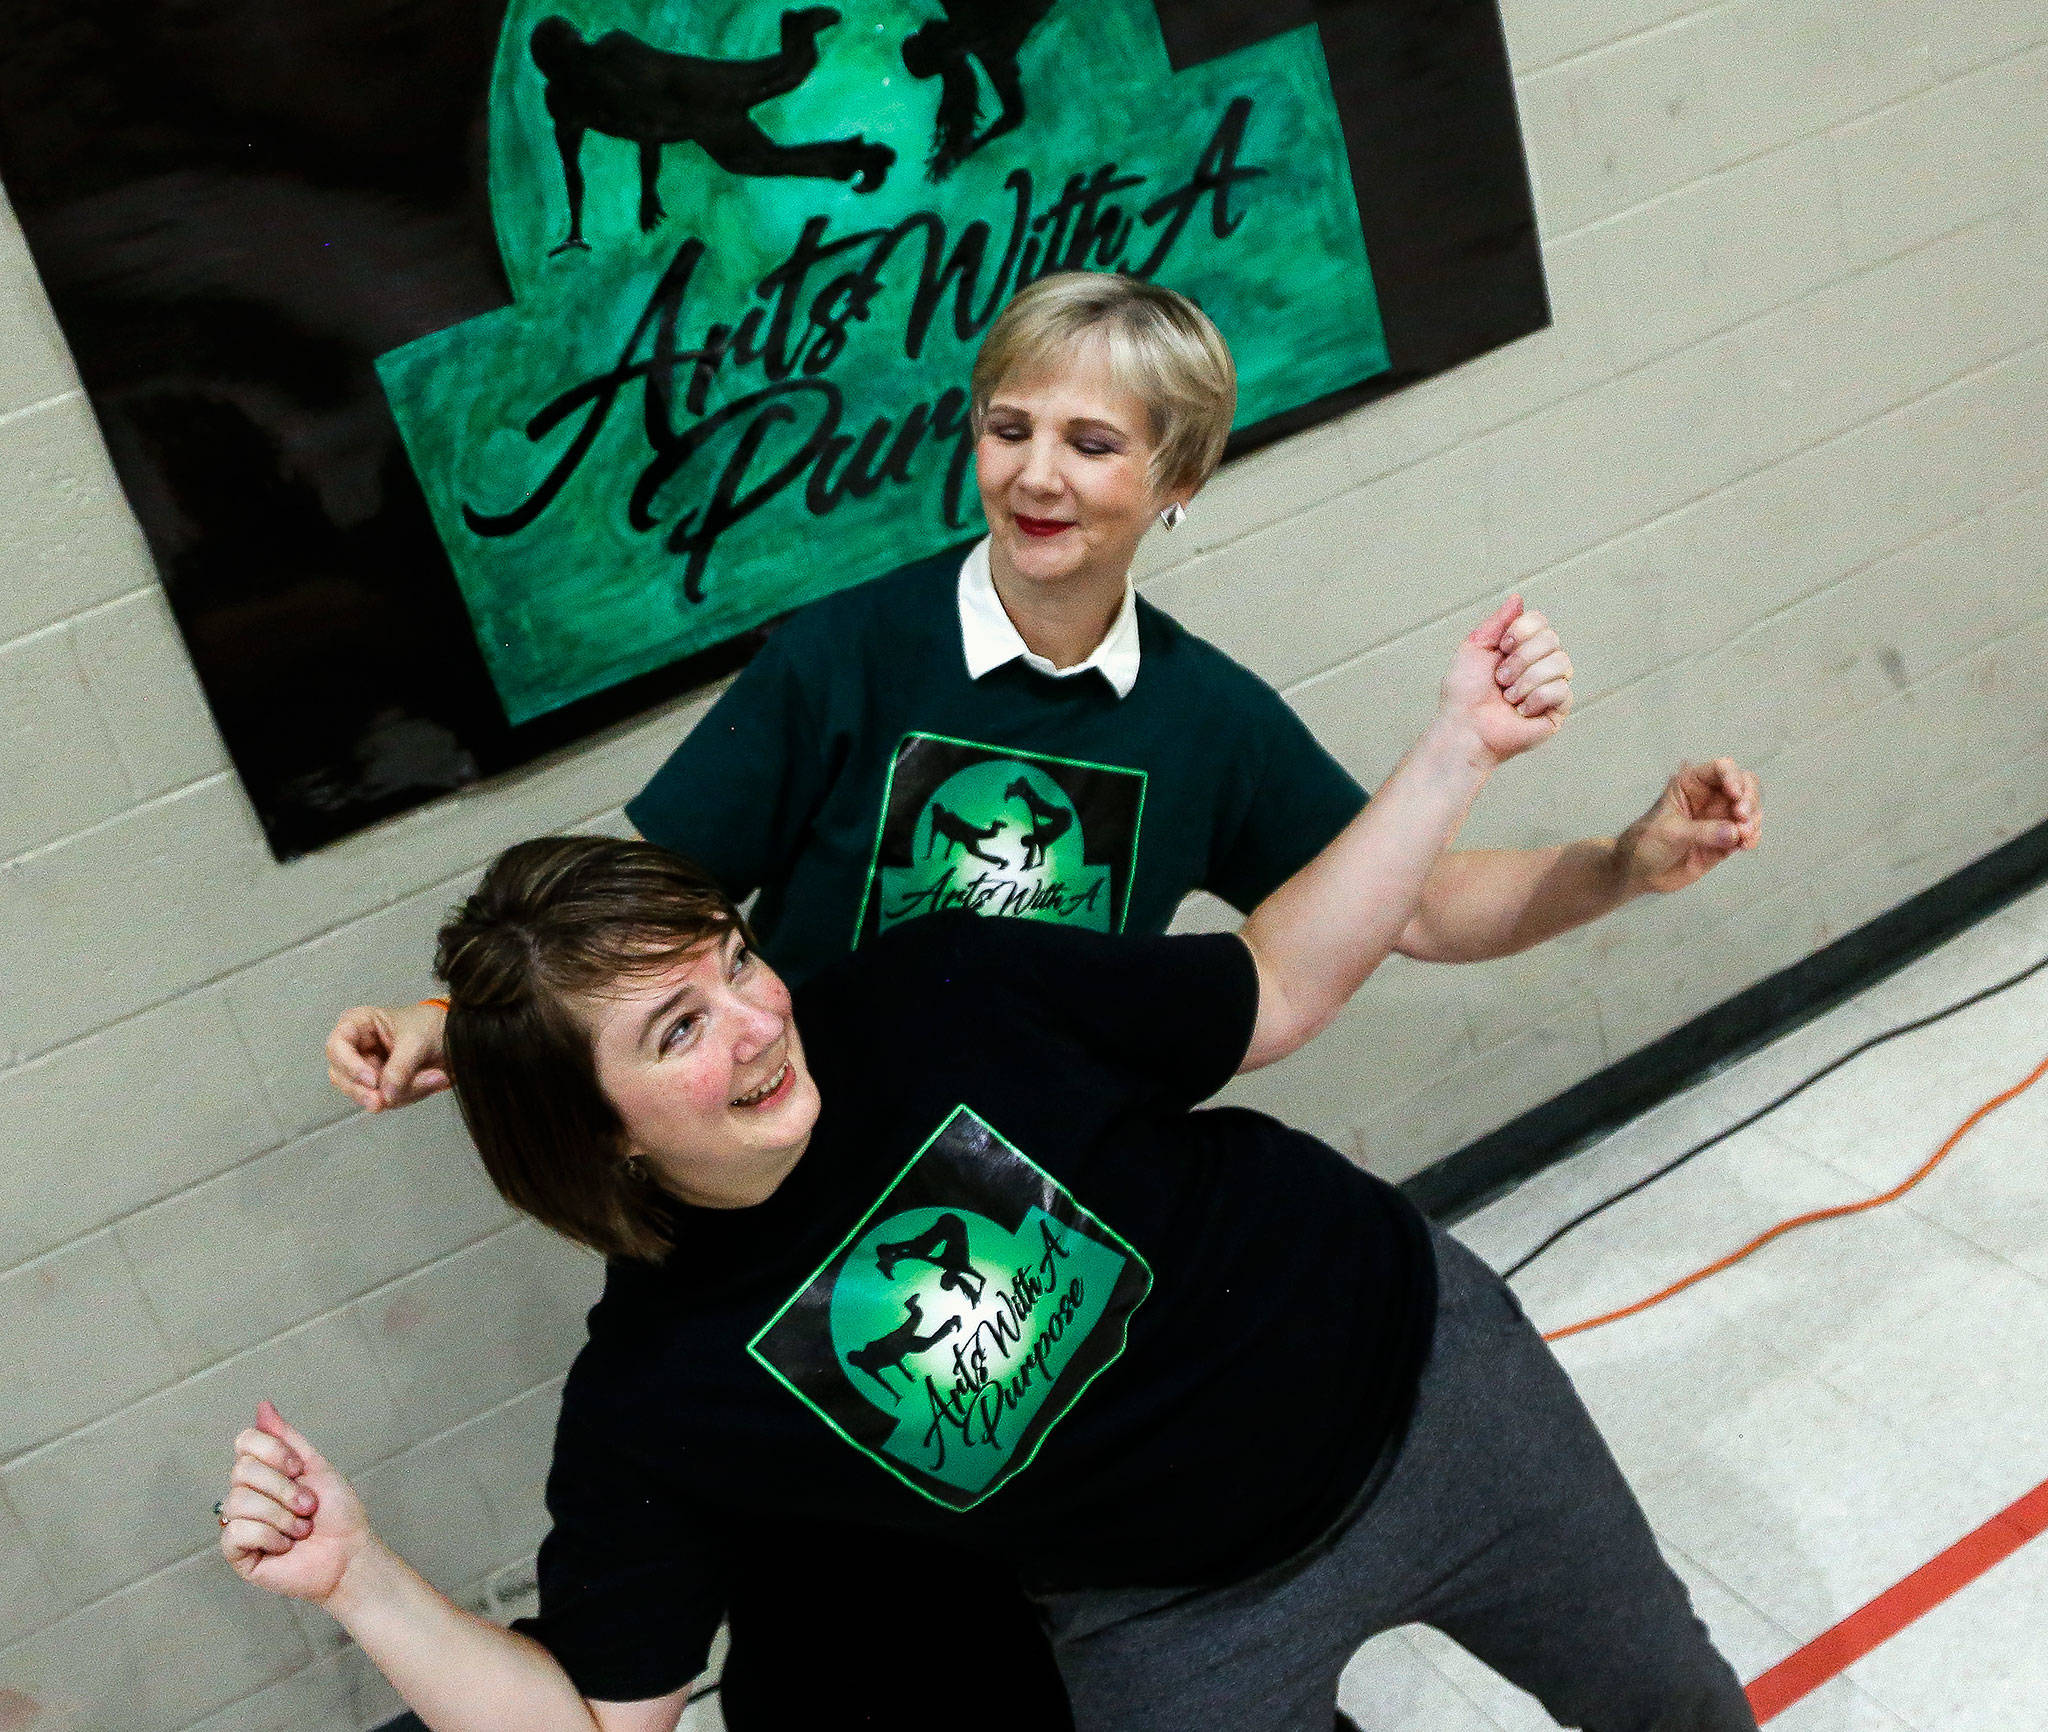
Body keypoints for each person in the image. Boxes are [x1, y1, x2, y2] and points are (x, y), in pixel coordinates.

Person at [322, 271, 1760, 1727]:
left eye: (1091, 442)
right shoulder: (846, 661)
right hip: (810, 1234)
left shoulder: (1195, 728)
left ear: (1175, 478)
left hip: (1074, 1228)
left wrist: (1616, 862)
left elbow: (1400, 915)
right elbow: (625, 937)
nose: (1037, 472)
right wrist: (463, 1032)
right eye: (1009, 427)